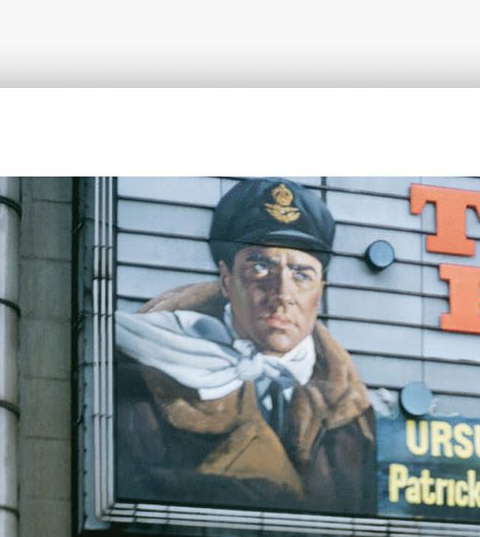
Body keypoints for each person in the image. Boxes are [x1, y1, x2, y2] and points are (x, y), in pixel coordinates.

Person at [117, 177, 374, 516]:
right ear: (226, 279)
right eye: (261, 266)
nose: (282, 294)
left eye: (301, 274)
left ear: (320, 290)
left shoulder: (350, 407)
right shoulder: (146, 370)